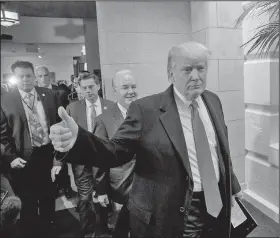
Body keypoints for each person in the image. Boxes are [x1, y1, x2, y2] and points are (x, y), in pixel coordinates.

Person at [49, 41, 242, 238]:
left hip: (217, 205)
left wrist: (232, 187)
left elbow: (217, 150)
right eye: (187, 69)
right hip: (174, 213)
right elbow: (115, 151)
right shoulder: (146, 110)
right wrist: (78, 141)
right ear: (171, 73)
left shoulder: (213, 101)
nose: (196, 76)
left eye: (201, 68)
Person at [1, 61, 61, 238]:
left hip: (48, 154)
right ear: (14, 78)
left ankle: (48, 227)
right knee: (27, 200)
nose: (25, 79)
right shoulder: (5, 100)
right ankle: (31, 231)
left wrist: (58, 158)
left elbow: (58, 126)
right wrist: (10, 158)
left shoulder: (50, 95)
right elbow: (3, 134)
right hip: (22, 158)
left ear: (34, 76)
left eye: (28, 75)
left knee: (48, 196)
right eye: (21, 76)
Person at [51, 74, 114, 238]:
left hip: (105, 159)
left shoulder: (111, 106)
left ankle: (106, 230)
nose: (88, 91)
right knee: (85, 199)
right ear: (79, 89)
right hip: (82, 161)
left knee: (106, 197)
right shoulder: (73, 108)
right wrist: (58, 162)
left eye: (91, 87)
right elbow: (63, 136)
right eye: (84, 88)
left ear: (98, 86)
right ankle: (88, 232)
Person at [93, 69, 137, 238]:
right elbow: (99, 159)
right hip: (120, 188)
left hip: (146, 186)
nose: (131, 91)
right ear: (114, 90)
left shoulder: (146, 113)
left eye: (133, 86)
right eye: (125, 87)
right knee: (121, 230)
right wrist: (102, 190)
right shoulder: (103, 120)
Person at [35, 66, 75, 200]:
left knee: (62, 159)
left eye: (45, 75)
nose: (42, 78)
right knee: (48, 163)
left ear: (49, 76)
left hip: (60, 131)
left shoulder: (60, 92)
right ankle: (53, 188)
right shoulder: (34, 94)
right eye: (39, 76)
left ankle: (66, 187)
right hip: (44, 135)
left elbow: (66, 112)